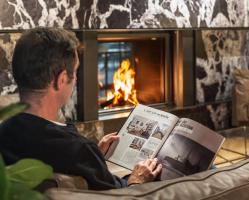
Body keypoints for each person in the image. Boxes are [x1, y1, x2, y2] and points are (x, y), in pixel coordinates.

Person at [0, 28, 162, 190]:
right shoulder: (79, 150)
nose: (75, 79)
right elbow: (117, 195)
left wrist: (93, 157)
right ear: (61, 80)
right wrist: (137, 182)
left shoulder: (5, 133)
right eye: (75, 71)